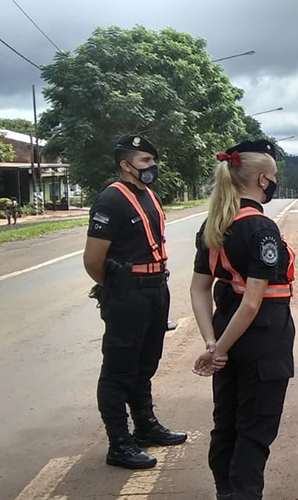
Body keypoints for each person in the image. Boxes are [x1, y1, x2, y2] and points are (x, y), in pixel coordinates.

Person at [190, 139, 296, 500]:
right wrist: (218, 349)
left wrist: (212, 344)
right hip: (262, 342)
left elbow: (199, 289)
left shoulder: (214, 223)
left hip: (226, 336)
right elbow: (252, 304)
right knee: (254, 433)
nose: (274, 183)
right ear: (262, 180)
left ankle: (226, 493)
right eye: (274, 177)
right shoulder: (260, 228)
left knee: (227, 426)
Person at [83, 135, 187, 470]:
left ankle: (144, 427)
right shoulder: (111, 200)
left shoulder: (149, 196)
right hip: (128, 292)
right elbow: (93, 259)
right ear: (125, 165)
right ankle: (119, 443)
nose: (151, 168)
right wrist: (119, 287)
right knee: (118, 370)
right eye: (144, 162)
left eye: (152, 161)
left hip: (156, 288)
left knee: (146, 364)